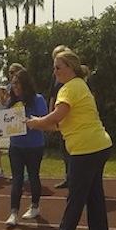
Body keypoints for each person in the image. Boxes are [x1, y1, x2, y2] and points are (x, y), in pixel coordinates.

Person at [26, 49, 113, 230]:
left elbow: (56, 116)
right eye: (54, 67)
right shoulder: (79, 85)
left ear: (70, 68)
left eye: (58, 67)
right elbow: (58, 125)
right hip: (98, 145)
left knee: (76, 194)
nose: (54, 71)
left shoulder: (69, 89)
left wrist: (37, 122)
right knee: (93, 194)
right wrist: (33, 123)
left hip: (86, 149)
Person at [3, 70, 47, 228]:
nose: (14, 87)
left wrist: (29, 121)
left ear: (25, 84)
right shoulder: (11, 101)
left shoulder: (38, 99)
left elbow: (44, 120)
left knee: (34, 176)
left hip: (34, 146)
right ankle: (13, 213)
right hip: (16, 146)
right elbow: (4, 122)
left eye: (17, 83)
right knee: (17, 179)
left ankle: (35, 206)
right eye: (12, 83)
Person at [47, 45, 71, 189]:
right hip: (58, 114)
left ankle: (75, 178)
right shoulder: (55, 76)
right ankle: (68, 177)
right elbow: (52, 95)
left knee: (72, 148)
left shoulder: (75, 76)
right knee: (64, 149)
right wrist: (50, 114)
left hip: (69, 115)